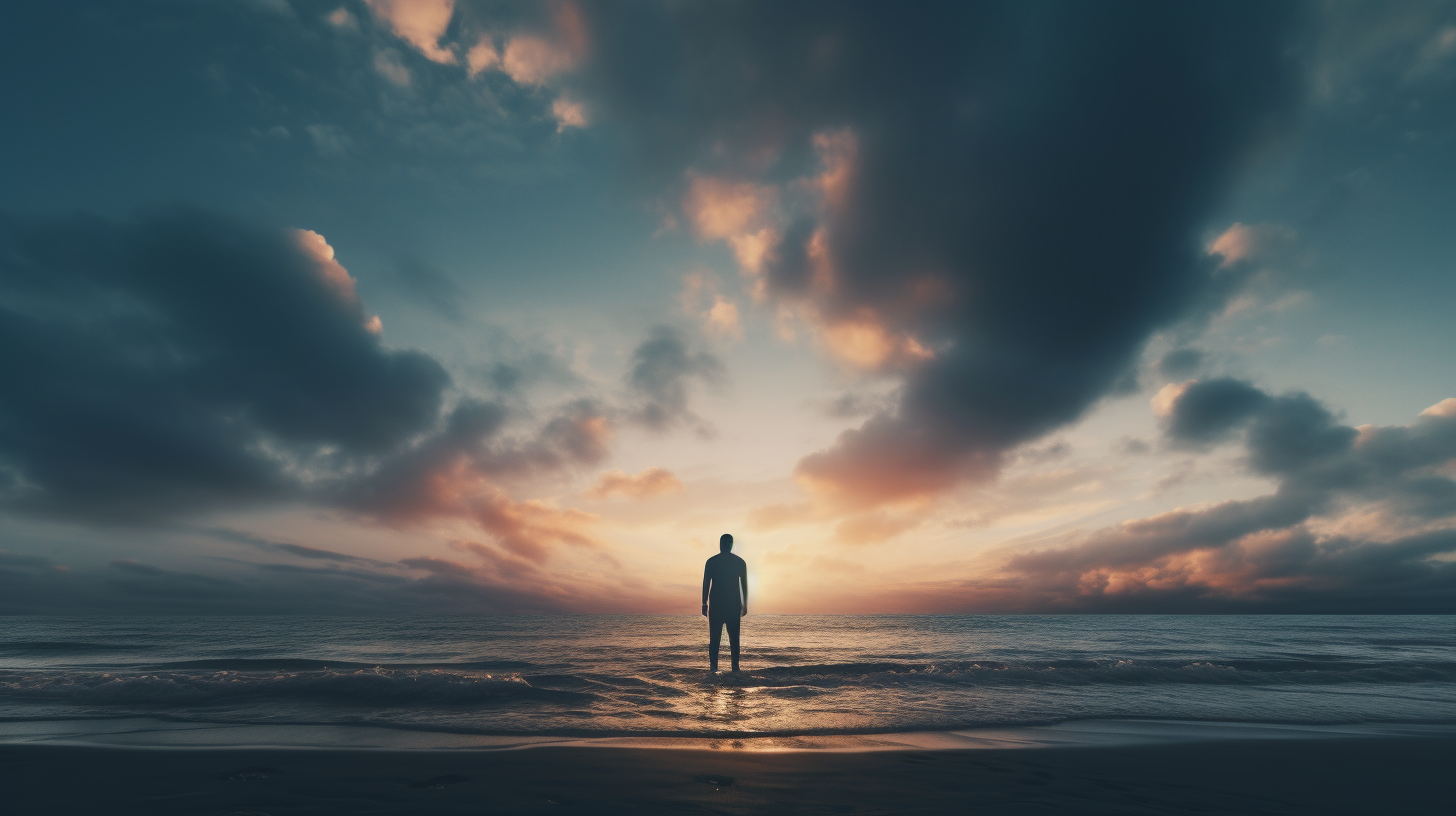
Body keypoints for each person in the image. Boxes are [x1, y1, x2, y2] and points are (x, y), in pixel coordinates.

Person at [701, 533, 748, 673]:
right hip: (728, 606)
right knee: (726, 639)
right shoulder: (738, 562)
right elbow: (706, 583)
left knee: (721, 639)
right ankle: (728, 669)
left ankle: (720, 668)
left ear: (728, 545)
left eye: (725, 543)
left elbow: (744, 585)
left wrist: (704, 603)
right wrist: (704, 603)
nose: (724, 546)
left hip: (722, 605)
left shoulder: (713, 561)